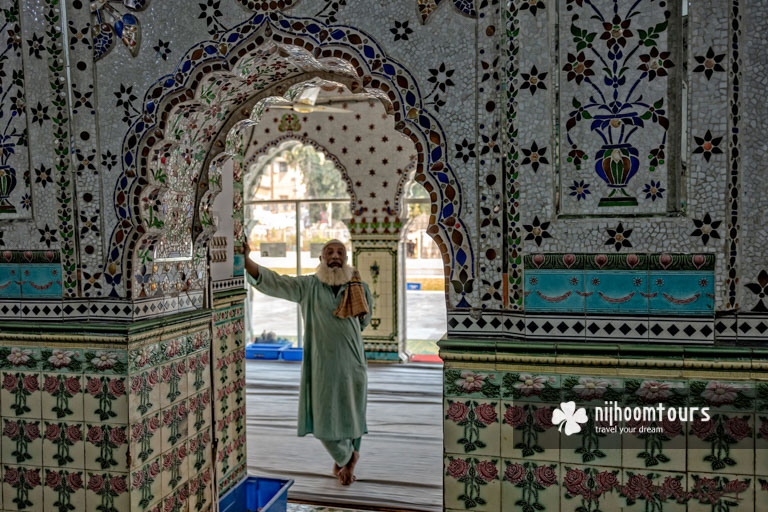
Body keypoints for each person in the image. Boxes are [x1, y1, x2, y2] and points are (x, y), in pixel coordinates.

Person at [244, 238, 373, 485]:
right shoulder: (309, 286)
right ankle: (347, 455)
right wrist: (248, 261)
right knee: (323, 416)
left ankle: (345, 460)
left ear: (346, 258)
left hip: (353, 361)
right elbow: (276, 282)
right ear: (321, 259)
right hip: (322, 363)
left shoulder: (360, 287)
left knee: (352, 412)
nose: (335, 256)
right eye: (329, 252)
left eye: (340, 252)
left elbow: (363, 322)